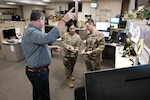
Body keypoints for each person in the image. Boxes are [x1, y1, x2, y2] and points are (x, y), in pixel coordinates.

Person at [21, 7, 76, 100]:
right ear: (40, 19)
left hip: (37, 71)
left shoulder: (31, 31)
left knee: (40, 93)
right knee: (42, 95)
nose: (44, 22)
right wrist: (63, 20)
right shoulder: (33, 32)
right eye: (44, 20)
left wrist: (50, 47)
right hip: (37, 72)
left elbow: (35, 47)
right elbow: (49, 38)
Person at [61, 23, 82, 88]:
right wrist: (69, 46)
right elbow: (63, 42)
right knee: (67, 67)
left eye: (73, 28)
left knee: (72, 66)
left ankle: (71, 74)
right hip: (66, 54)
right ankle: (68, 80)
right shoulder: (65, 35)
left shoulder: (78, 37)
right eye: (71, 29)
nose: (72, 30)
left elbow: (79, 45)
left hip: (74, 55)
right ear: (69, 29)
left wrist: (76, 49)